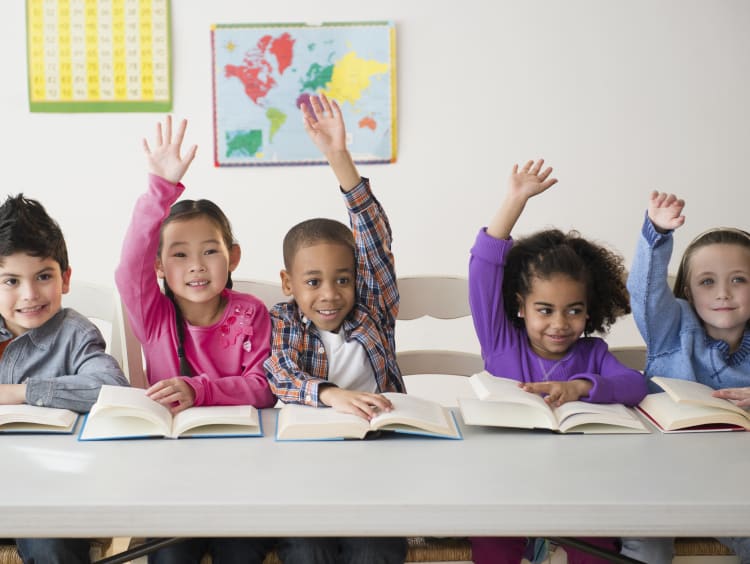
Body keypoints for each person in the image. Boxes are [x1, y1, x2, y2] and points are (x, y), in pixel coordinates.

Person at [468, 159, 648, 564]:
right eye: (545, 310)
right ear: (521, 306)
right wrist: (514, 201)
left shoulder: (593, 355)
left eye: (574, 311)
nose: (560, 324)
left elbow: (636, 386)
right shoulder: (501, 343)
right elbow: (483, 267)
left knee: (598, 546)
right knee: (492, 544)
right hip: (505, 485)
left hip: (579, 489)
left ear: (590, 309)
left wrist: (582, 386)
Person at [115, 116, 275, 564]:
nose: (197, 265)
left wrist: (198, 389)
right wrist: (160, 188)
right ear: (160, 267)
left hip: (243, 469)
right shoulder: (154, 315)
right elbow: (129, 268)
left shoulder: (251, 313)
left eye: (210, 251)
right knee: (168, 556)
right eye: (179, 255)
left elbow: (264, 387)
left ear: (233, 257)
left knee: (240, 552)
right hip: (173, 474)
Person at [264, 93, 407, 564]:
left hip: (377, 461)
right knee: (307, 548)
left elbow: (372, 236)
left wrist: (339, 158)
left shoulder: (373, 310)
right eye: (313, 281)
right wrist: (332, 395)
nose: (330, 294)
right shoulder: (285, 321)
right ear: (288, 283)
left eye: (342, 279)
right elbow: (281, 375)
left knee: (374, 548)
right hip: (307, 467)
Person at [0, 194, 128, 564]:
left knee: (50, 545)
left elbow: (111, 388)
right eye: (11, 281)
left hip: (51, 492)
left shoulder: (73, 332)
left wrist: (20, 393)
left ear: (65, 278)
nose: (29, 294)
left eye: (43, 276)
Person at [624, 191, 750, 564]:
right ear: (688, 290)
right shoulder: (671, 328)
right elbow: (644, 292)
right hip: (661, 482)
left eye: (739, 279)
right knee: (648, 546)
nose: (724, 293)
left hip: (733, 490)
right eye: (707, 282)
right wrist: (657, 234)